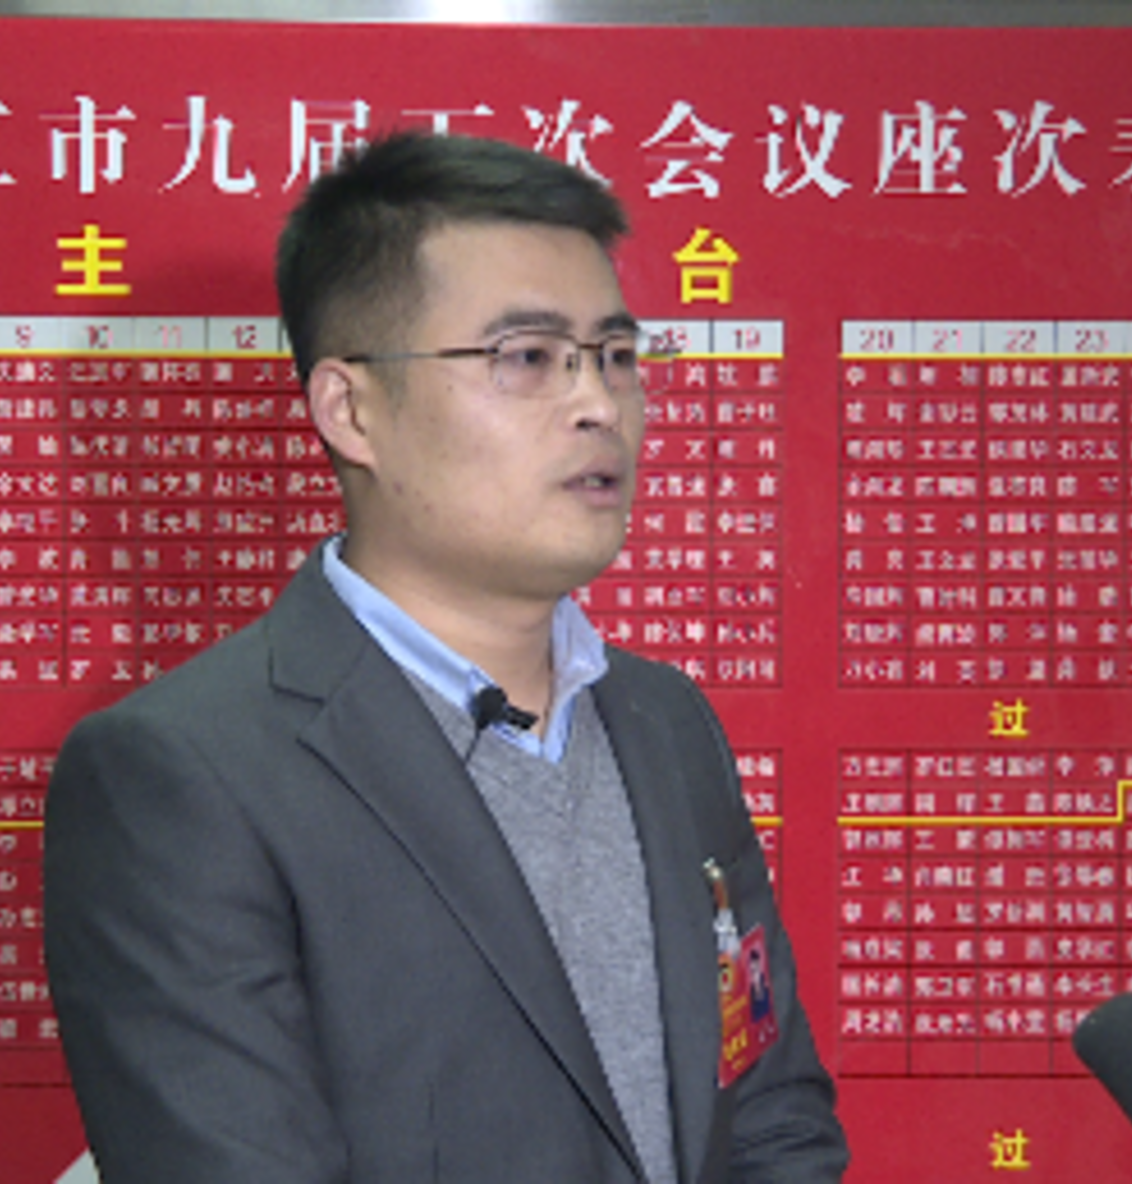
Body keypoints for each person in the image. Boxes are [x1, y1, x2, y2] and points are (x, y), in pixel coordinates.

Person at [44, 131, 849, 1184]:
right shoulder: (182, 774)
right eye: (526, 357)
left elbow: (770, 1114)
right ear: (351, 410)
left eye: (615, 355)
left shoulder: (664, 720)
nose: (600, 404)